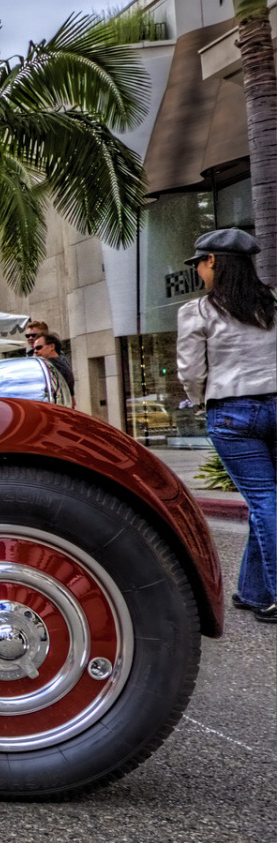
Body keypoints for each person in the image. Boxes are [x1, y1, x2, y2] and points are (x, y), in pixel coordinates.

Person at [175, 226, 277, 625]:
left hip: (233, 413)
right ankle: (253, 591)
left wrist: (203, 400)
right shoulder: (271, 304)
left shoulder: (198, 311)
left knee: (265, 501)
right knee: (265, 501)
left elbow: (190, 371)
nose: (198, 271)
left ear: (212, 260)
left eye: (199, 263)